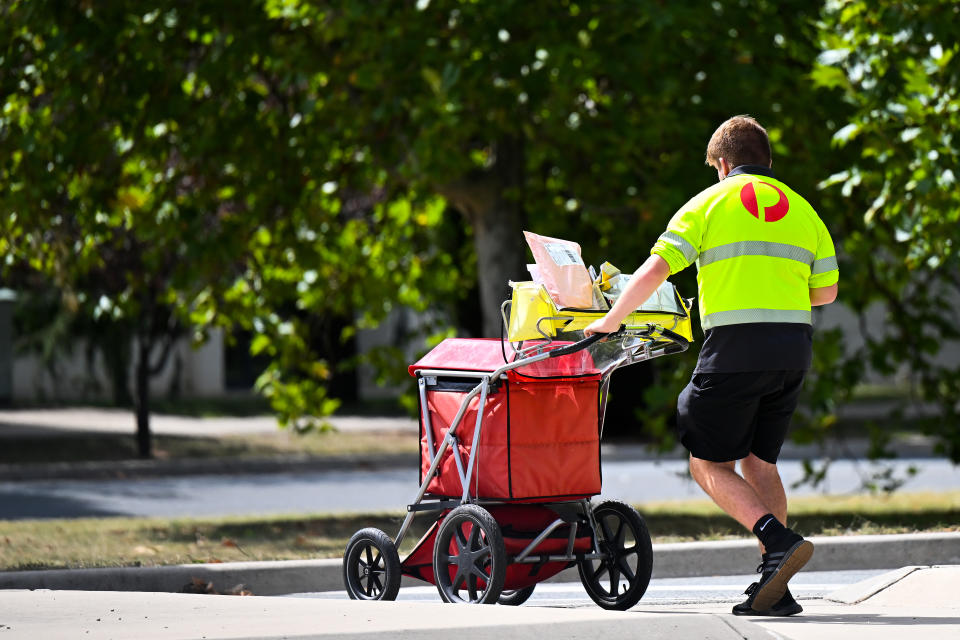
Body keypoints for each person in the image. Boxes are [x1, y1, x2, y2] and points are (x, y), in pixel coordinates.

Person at [584, 115, 839, 616]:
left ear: (722, 164)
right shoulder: (803, 210)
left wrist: (612, 320)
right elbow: (826, 291)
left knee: (706, 460)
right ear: (767, 161)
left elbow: (658, 267)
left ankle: (776, 540)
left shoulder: (708, 203)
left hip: (735, 351)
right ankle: (776, 586)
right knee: (759, 462)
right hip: (792, 351)